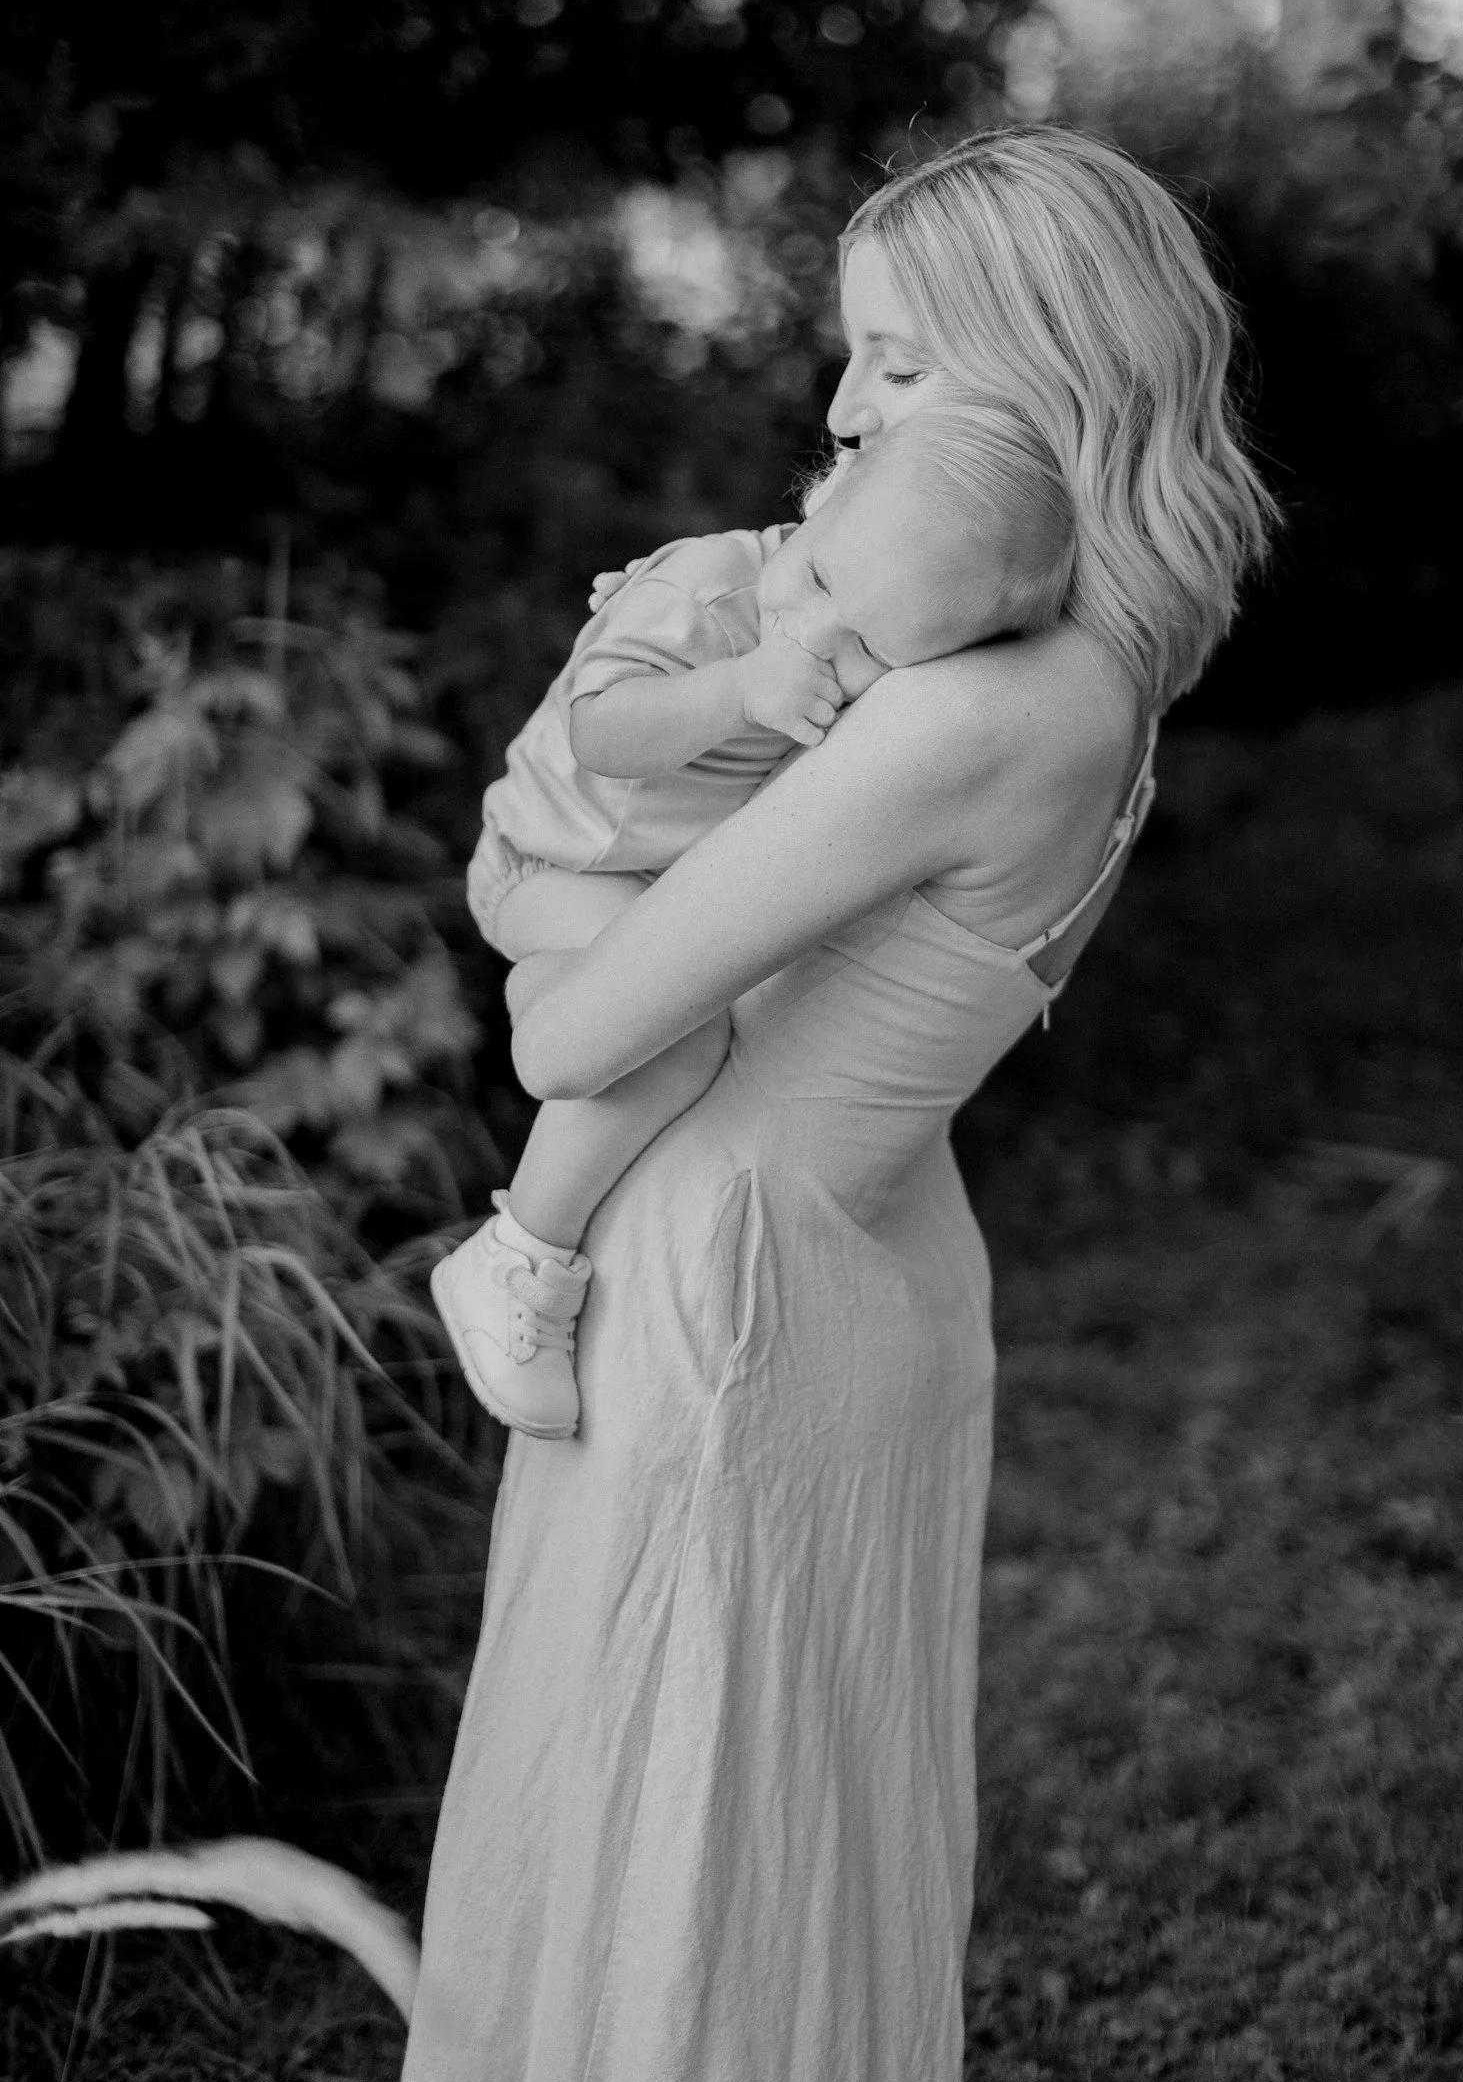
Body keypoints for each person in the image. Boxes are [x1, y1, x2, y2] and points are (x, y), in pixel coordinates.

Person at [398, 124, 1276, 2082]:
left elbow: (577, 1040)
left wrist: (533, 871)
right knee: (793, 1821)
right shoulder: (1100, 675)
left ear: (1041, 357)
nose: (836, 405)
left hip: (722, 1284)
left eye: (892, 360)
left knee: (670, 1817)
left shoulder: (959, 707)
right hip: (872, 1256)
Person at [433, 397, 1075, 1439]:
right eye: (818, 581)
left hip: (651, 881)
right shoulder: (705, 593)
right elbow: (602, 732)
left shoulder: (882, 625)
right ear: (821, 495)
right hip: (551, 859)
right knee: (679, 1041)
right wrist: (735, 689)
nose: (816, 637)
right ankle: (517, 1253)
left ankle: (558, 1011)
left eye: (867, 645)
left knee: (685, 1008)